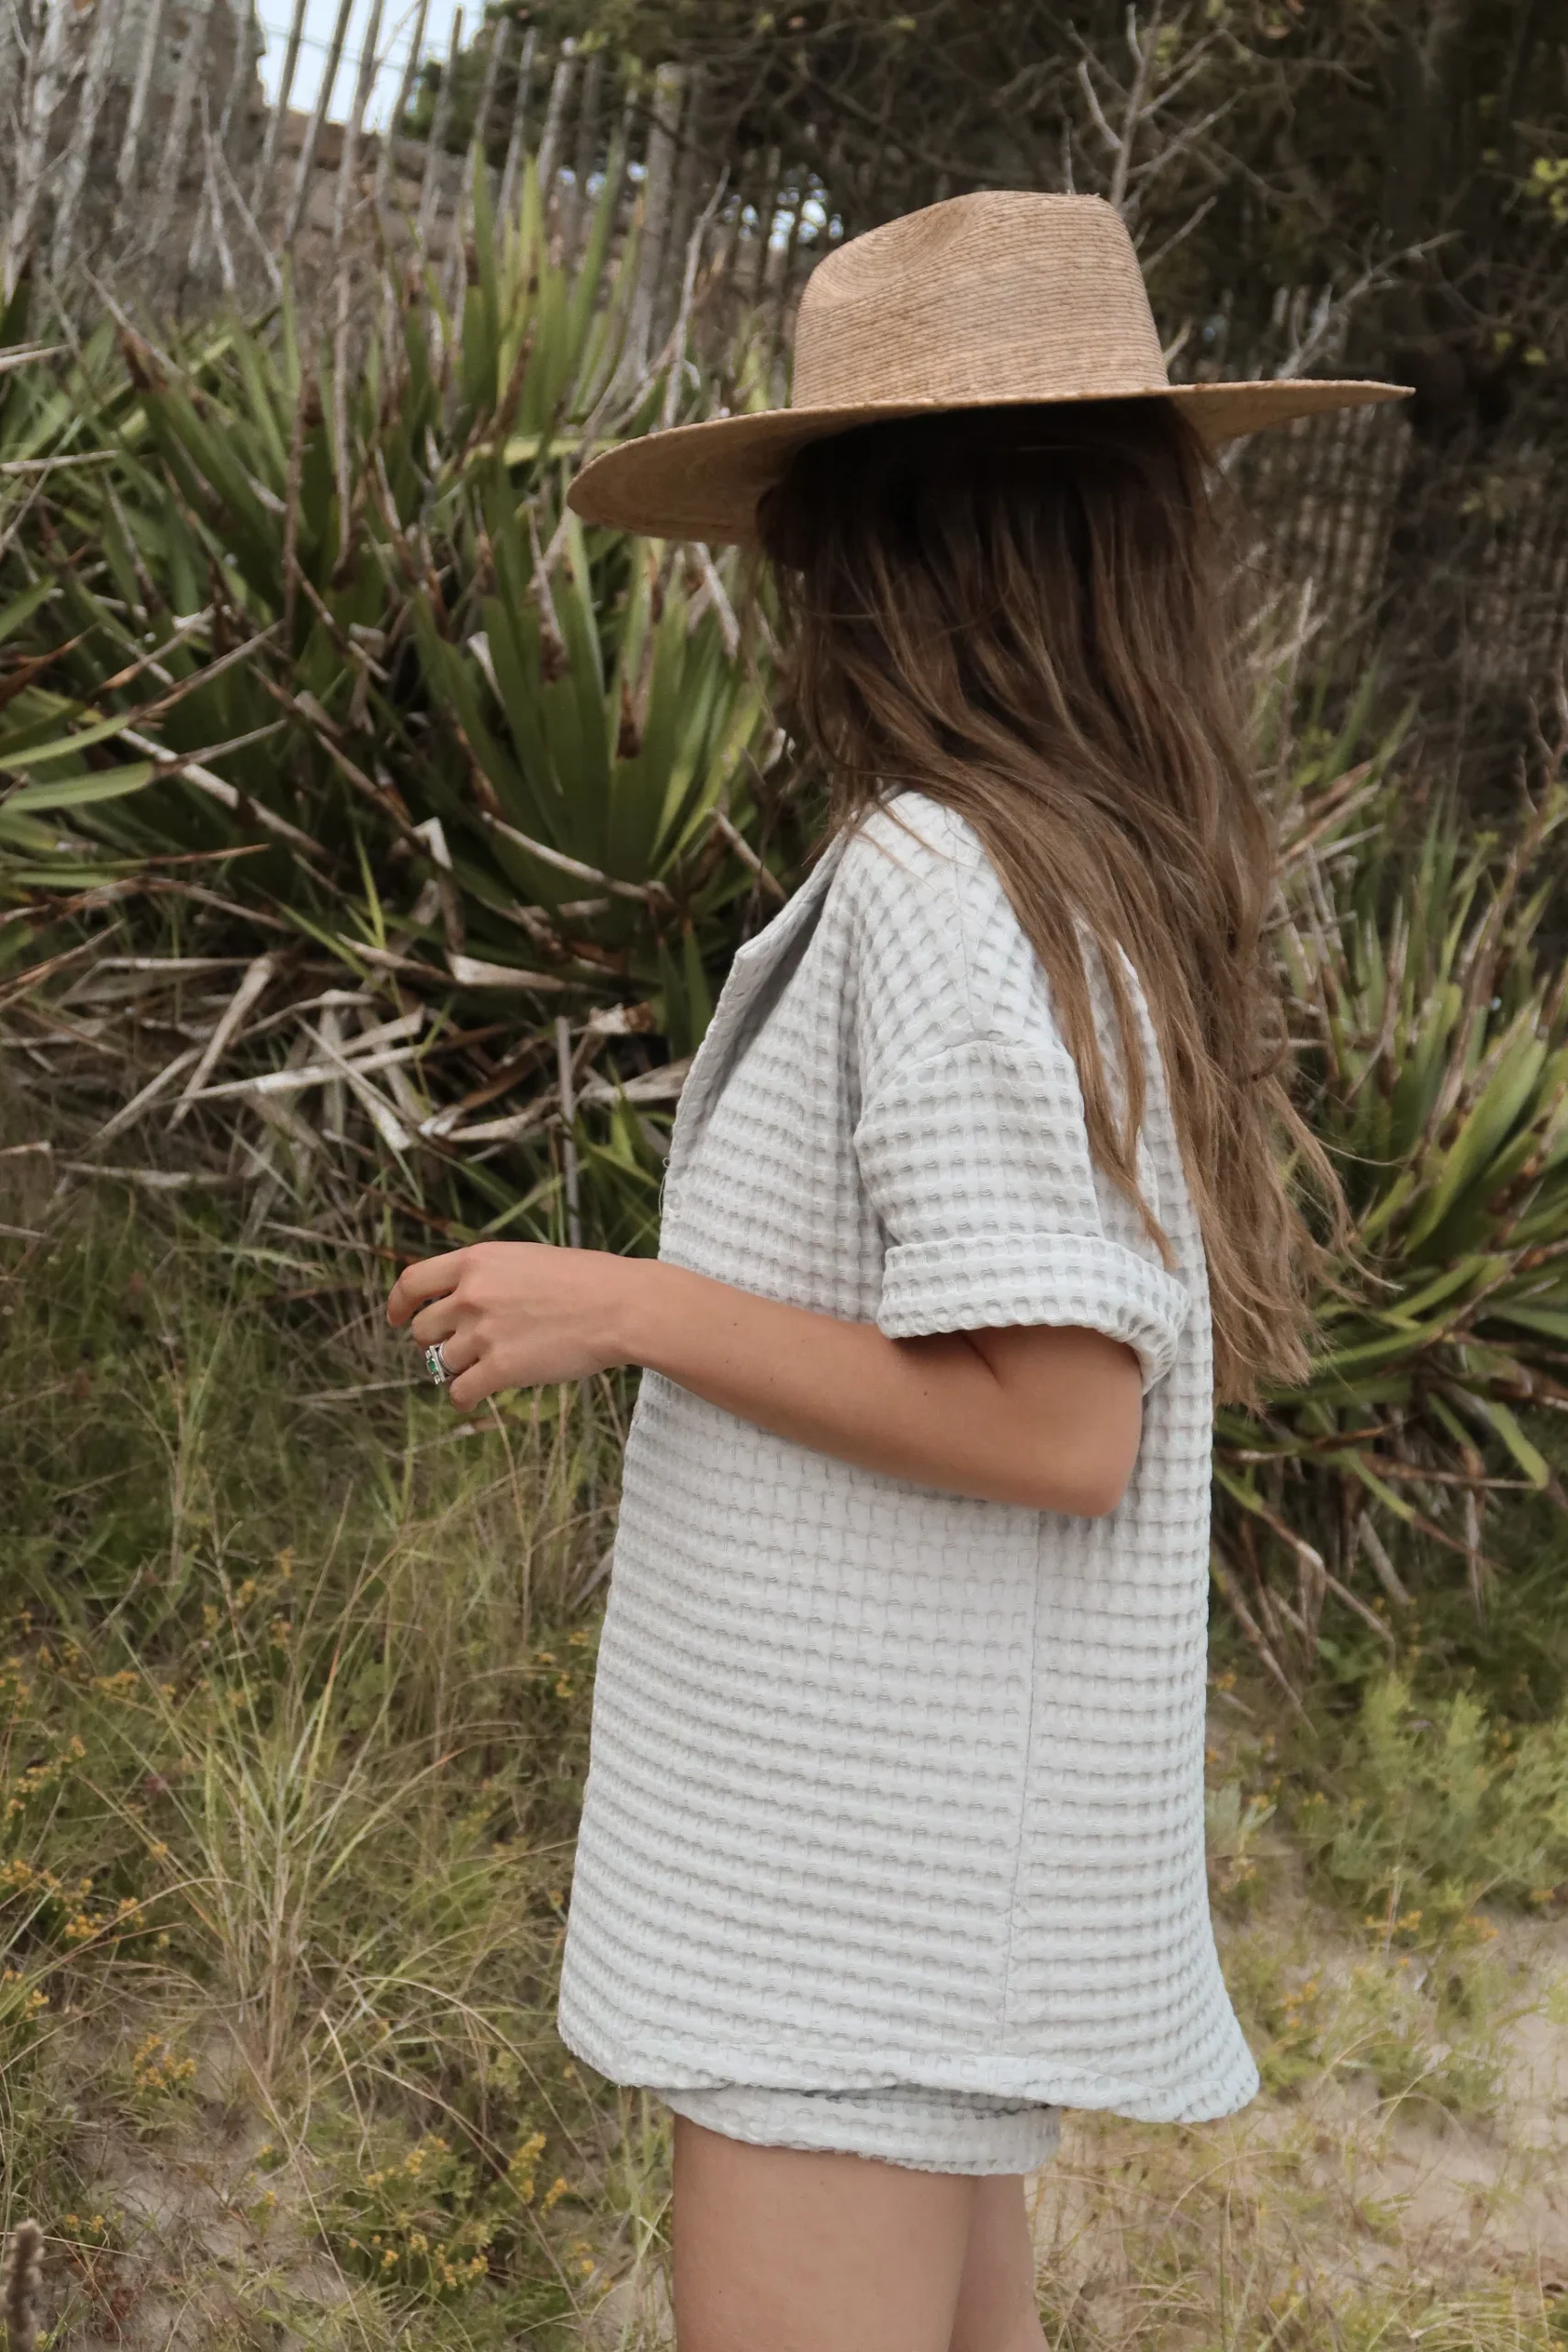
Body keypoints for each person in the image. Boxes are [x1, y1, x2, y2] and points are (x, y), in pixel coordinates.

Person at [387, 192, 1409, 2352]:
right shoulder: (1062, 870)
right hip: (913, 1860)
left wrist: (625, 1302)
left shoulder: (943, 879)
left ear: (886, 554)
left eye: (803, 531)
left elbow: (1060, 1421)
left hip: (851, 1897)